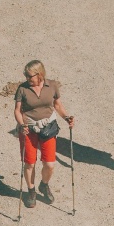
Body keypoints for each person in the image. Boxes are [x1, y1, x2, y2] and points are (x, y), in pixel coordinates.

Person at [12, 60, 75, 208]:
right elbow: (17, 110)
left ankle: (44, 185)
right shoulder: (22, 89)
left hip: (48, 128)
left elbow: (57, 105)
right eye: (25, 75)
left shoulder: (52, 86)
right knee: (29, 163)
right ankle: (31, 191)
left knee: (50, 164)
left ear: (39, 74)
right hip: (29, 129)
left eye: (29, 76)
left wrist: (67, 118)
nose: (27, 78)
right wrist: (21, 125)